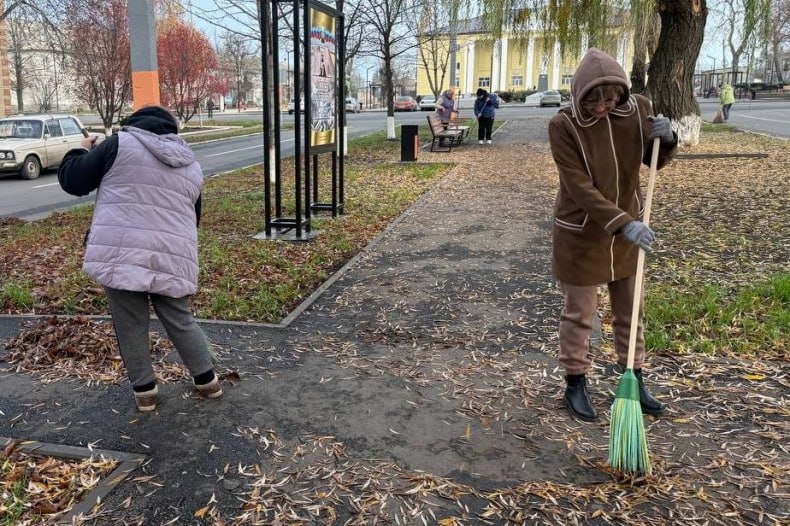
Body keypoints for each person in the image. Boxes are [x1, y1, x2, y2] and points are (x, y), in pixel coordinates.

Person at [57, 105, 222, 413]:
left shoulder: (119, 143)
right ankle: (207, 380)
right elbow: (193, 216)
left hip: (123, 251)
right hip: (171, 251)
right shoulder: (190, 162)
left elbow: (74, 181)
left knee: (130, 322)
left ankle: (145, 393)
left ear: (135, 123)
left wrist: (79, 150)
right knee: (180, 317)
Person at [548, 48, 677, 422]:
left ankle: (633, 378)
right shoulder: (563, 126)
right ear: (580, 94)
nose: (602, 108)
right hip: (582, 234)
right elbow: (578, 187)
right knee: (580, 313)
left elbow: (653, 161)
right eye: (593, 101)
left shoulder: (637, 109)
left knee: (631, 310)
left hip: (628, 233)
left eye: (610, 100)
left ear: (622, 92)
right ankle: (575, 382)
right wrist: (623, 222)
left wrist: (668, 139)